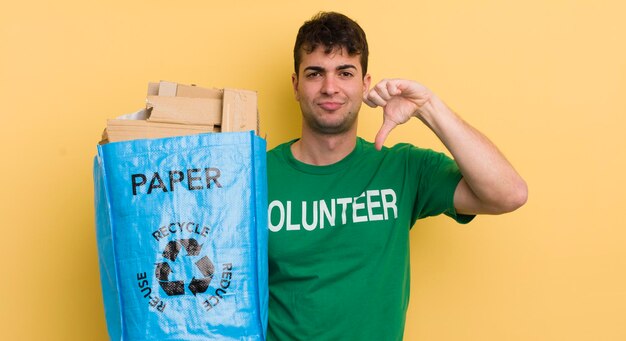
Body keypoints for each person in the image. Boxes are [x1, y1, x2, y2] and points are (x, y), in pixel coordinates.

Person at [266, 11, 527, 341]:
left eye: (344, 73)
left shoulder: (403, 168)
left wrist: (427, 107)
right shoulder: (255, 175)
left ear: (365, 85)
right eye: (315, 73)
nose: (330, 87)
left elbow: (510, 193)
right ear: (296, 85)